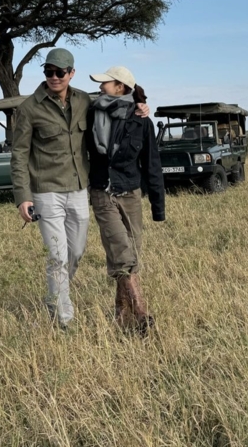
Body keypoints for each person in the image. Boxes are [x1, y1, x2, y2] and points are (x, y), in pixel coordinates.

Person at [11, 48, 92, 329]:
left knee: (76, 252)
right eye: (49, 72)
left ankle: (54, 297)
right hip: (46, 191)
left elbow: (113, 107)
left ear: (72, 73)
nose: (54, 77)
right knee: (57, 255)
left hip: (79, 188)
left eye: (60, 72)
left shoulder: (84, 100)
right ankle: (62, 318)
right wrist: (23, 197)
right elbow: (19, 154)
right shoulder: (29, 108)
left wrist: (139, 106)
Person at [86, 66, 165, 335]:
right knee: (121, 250)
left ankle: (121, 313)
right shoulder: (91, 112)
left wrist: (158, 207)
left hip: (130, 192)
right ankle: (141, 312)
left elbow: (152, 163)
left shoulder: (141, 120)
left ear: (120, 86)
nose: (100, 87)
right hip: (102, 191)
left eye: (105, 83)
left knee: (131, 254)